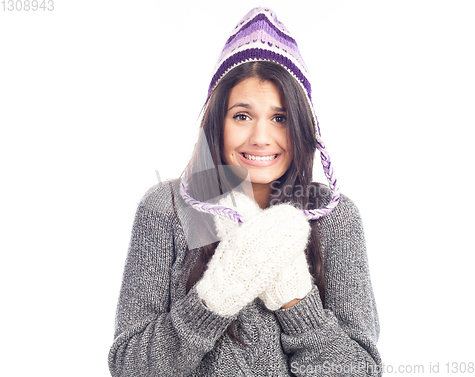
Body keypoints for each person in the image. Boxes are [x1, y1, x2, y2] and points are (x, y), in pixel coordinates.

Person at [108, 7, 382, 377]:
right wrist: (215, 297)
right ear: (217, 122)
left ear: (302, 126)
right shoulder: (166, 209)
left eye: (280, 117)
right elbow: (129, 367)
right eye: (242, 115)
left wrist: (295, 300)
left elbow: (360, 370)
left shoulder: (334, 217)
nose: (261, 137)